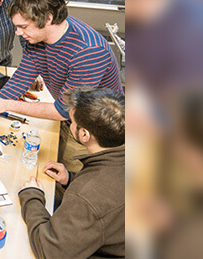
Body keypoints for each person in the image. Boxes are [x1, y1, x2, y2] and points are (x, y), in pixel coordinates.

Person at [0, 0, 123, 172]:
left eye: (23, 26)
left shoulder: (88, 51)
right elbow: (18, 83)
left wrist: (4, 105)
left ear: (48, 18)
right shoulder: (36, 38)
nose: (18, 33)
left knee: (74, 183)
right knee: (54, 170)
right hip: (69, 121)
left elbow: (62, 110)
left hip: (94, 135)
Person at [18, 87, 124, 259]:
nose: (69, 124)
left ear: (84, 134)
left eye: (72, 122)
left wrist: (31, 197)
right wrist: (70, 179)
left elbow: (49, 251)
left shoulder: (88, 196)